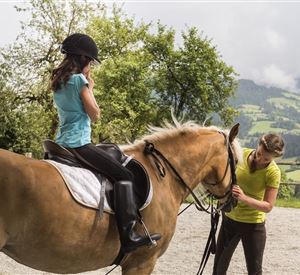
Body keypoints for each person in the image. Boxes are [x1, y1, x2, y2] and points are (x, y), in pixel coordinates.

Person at [50, 33, 160, 253]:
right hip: (79, 143)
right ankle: (129, 236)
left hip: (60, 141)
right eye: (90, 61)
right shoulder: (79, 80)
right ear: (83, 59)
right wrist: (89, 86)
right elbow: (95, 114)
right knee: (125, 175)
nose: (91, 65)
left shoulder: (58, 81)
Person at [212, 133, 285, 275]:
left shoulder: (273, 172)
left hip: (253, 226)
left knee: (254, 271)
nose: (260, 160)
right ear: (258, 146)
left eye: (266, 159)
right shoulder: (241, 154)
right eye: (259, 154)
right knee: (218, 269)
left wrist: (244, 198)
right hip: (229, 219)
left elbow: (268, 206)